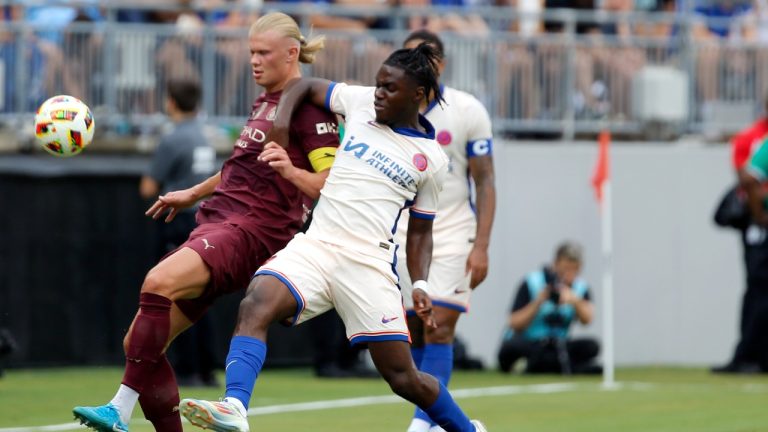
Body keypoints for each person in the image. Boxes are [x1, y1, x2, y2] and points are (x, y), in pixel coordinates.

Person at [179, 43, 489, 432]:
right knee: (256, 302)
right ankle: (235, 407)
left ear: (418, 95)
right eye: (378, 84)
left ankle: (467, 429)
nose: (379, 93)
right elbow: (303, 86)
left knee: (404, 378)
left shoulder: (431, 158)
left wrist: (421, 283)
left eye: (390, 89)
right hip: (318, 245)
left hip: (368, 266)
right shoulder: (359, 102)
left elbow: (421, 232)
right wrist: (281, 123)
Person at [72, 12, 340, 432]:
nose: (253, 61)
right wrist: (192, 194)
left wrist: (290, 172)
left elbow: (330, 182)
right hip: (218, 221)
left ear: (292, 54)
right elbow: (240, 167)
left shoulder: (309, 110)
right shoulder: (267, 99)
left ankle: (118, 410)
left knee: (158, 282)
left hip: (251, 231)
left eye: (263, 53)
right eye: (251, 51)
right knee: (140, 344)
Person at [392, 31, 496, 432]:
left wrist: (482, 245)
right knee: (414, 328)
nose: (421, 61)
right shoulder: (390, 108)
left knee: (441, 323)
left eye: (428, 55)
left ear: (442, 64)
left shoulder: (467, 110)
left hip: (454, 230)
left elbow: (486, 181)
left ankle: (420, 426)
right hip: (404, 233)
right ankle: (450, 423)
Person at [139, 77, 219, 387]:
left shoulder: (172, 139)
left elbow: (148, 186)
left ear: (170, 101)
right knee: (200, 294)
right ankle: (207, 368)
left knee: (171, 293)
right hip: (204, 221)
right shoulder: (206, 135)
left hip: (177, 219)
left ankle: (186, 368)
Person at [497, 242, 600, 375]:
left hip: (559, 345)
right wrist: (539, 301)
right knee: (510, 349)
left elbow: (587, 320)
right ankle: (570, 367)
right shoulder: (532, 282)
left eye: (575, 269)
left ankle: (537, 366)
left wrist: (575, 301)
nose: (570, 274)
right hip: (531, 343)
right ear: (556, 264)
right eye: (566, 268)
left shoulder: (580, 288)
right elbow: (514, 323)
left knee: (592, 346)